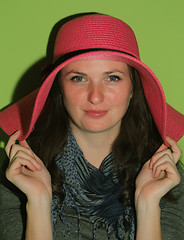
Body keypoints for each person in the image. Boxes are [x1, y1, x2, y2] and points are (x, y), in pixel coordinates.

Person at [0, 13, 184, 240]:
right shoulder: (18, 171)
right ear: (59, 87)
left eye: (112, 78)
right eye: (78, 78)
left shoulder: (164, 174)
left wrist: (147, 204)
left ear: (133, 88)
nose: (95, 97)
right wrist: (38, 201)